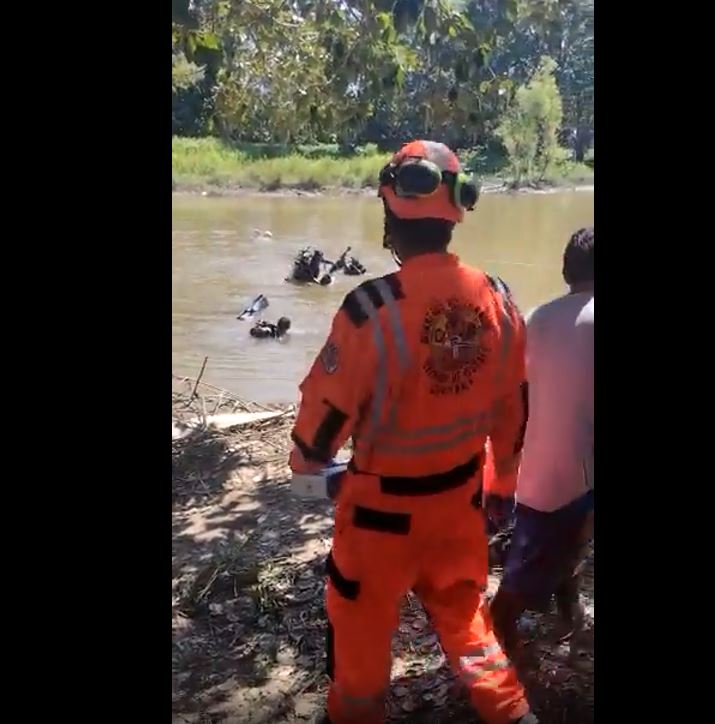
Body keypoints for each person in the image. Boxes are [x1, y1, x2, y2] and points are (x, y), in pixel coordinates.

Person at [288, 140, 536, 724]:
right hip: (457, 510)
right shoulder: (499, 300)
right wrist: (501, 488)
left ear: (389, 216)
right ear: (455, 216)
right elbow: (513, 415)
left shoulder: (368, 311)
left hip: (377, 526)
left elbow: (314, 441)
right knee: (471, 634)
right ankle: (517, 715)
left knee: (360, 659)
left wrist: (308, 478)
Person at [489, 227, 594, 660]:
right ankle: (501, 639)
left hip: (539, 477)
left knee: (555, 545)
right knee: (516, 591)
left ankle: (567, 605)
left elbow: (520, 400)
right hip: (577, 481)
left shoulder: (535, 317)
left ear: (566, 269)